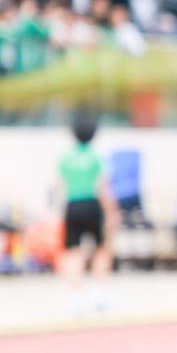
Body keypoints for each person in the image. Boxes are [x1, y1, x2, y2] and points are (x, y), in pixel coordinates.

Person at [57, 111, 119, 315]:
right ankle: (98, 293)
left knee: (73, 250)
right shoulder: (95, 157)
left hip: (72, 205)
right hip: (92, 205)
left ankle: (76, 296)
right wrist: (112, 211)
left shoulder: (65, 159)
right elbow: (102, 187)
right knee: (101, 248)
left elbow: (60, 186)